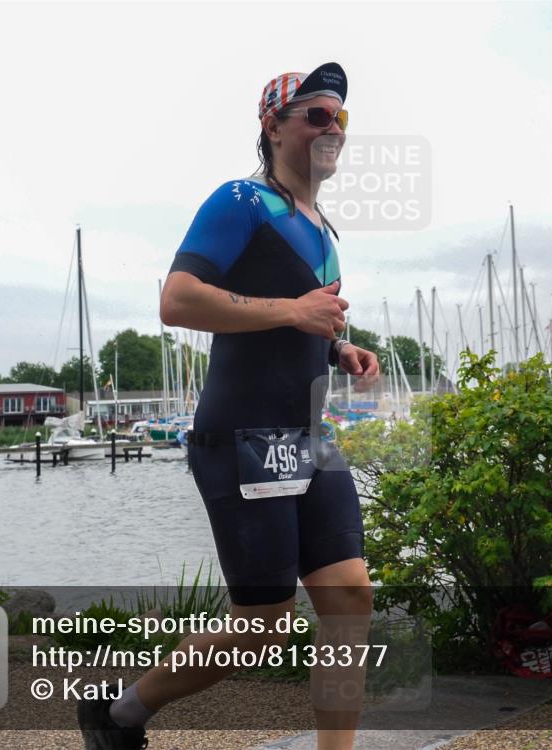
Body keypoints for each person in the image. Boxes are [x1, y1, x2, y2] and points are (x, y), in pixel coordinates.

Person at [78, 62, 381, 750]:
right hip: (241, 437)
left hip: (309, 434)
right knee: (260, 625)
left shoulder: (323, 231)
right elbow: (177, 300)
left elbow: (300, 325)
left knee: (350, 598)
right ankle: (121, 714)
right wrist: (293, 309)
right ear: (273, 126)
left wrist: (340, 349)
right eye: (316, 115)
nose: (331, 128)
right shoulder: (239, 201)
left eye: (341, 118)